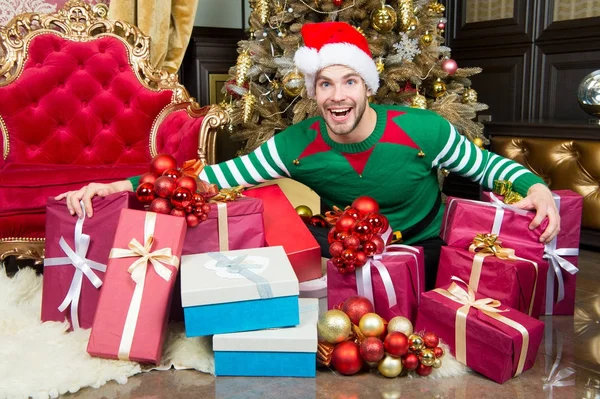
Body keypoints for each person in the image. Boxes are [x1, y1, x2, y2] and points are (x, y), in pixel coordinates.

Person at [57, 21, 559, 289]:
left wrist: (537, 190)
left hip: (423, 245)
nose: (337, 96)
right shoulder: (297, 143)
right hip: (344, 246)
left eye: (348, 82)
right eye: (325, 83)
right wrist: (117, 187)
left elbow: (489, 166)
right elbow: (212, 177)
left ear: (366, 86)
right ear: (313, 92)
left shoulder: (422, 129)